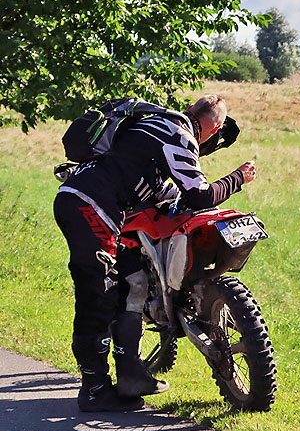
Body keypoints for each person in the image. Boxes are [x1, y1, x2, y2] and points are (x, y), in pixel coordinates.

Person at [53, 95, 256, 412]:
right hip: (92, 204)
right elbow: (200, 195)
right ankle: (94, 391)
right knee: (99, 295)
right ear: (215, 128)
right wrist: (239, 177)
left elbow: (171, 199)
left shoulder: (152, 127)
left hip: (86, 197)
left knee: (129, 285)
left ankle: (131, 376)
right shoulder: (178, 133)